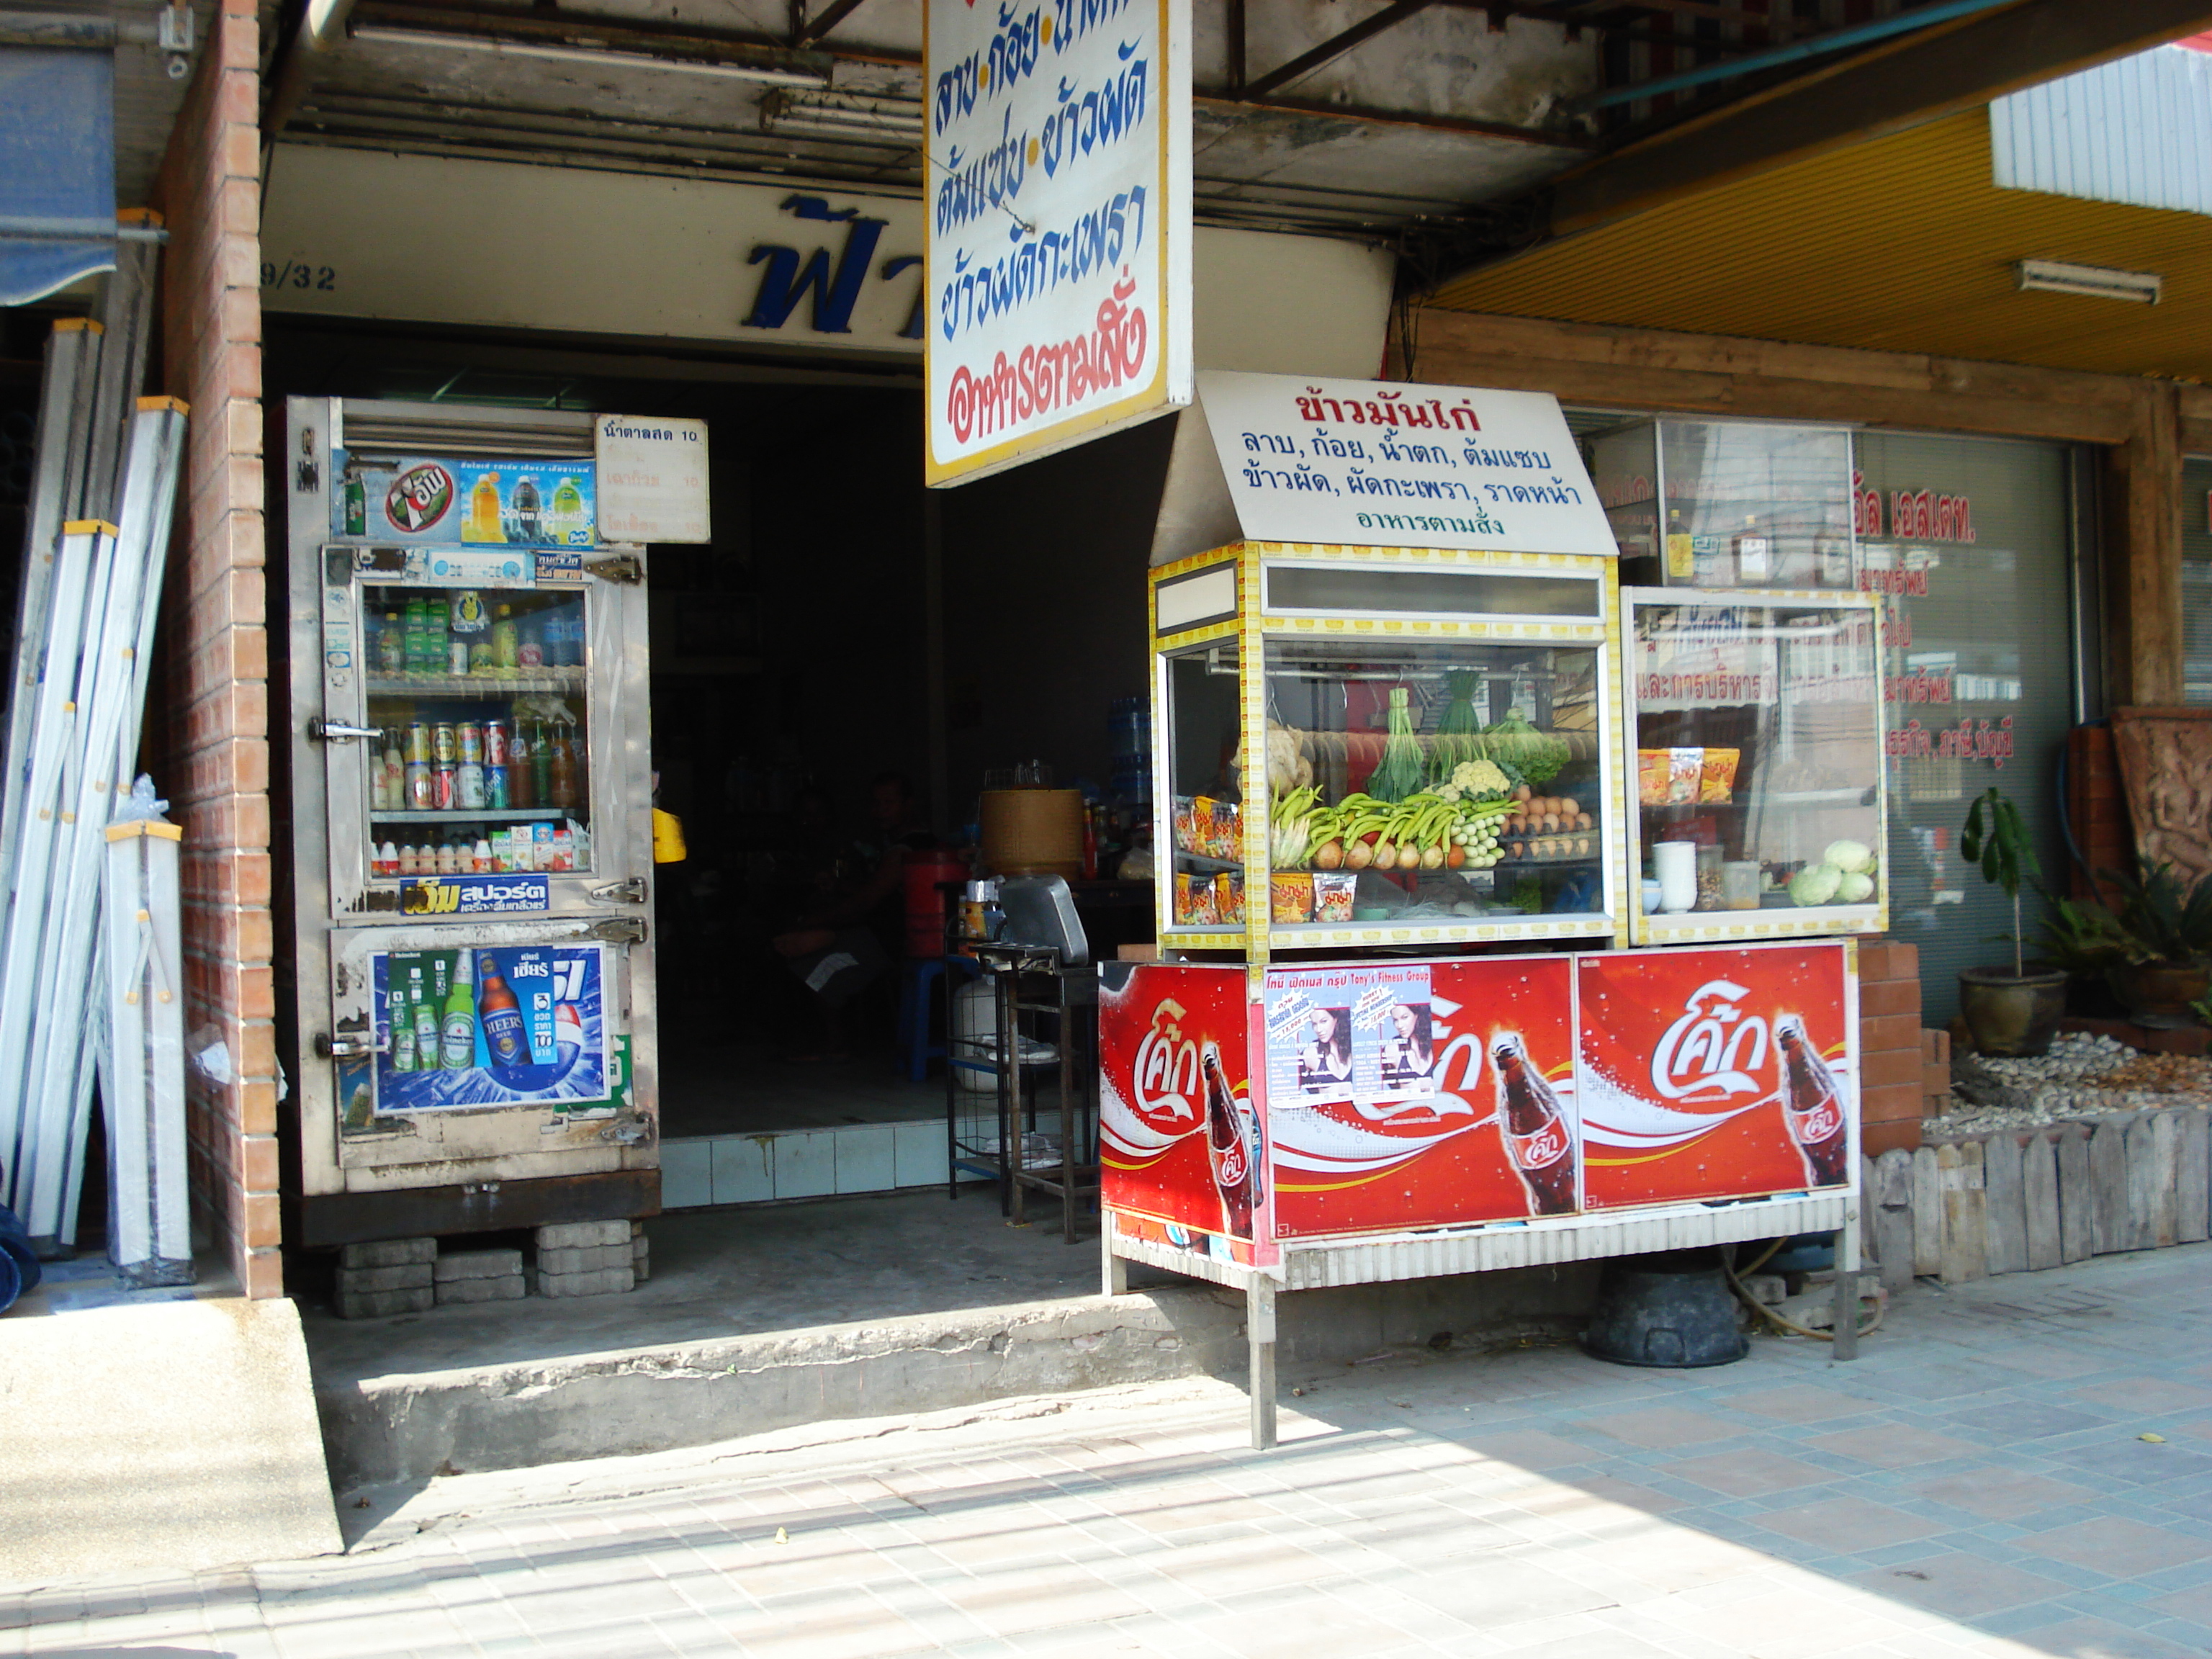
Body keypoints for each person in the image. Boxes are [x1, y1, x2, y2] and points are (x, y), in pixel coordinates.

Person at [768, 774, 935, 1060]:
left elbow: (864, 904)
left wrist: (811, 923)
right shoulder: (897, 844)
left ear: (908, 805)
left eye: (889, 803)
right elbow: (877, 891)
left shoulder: (906, 849)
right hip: (878, 933)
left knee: (812, 960)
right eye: (876, 803)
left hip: (893, 942)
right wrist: (839, 886)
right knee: (802, 941)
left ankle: (836, 1043)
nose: (881, 809)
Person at [1378, 1002, 1434, 1091]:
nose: (1399, 1025)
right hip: (1409, 1104)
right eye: (1395, 1020)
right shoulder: (1392, 1049)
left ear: (1417, 1015)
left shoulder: (1435, 1043)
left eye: (1404, 1018)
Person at [1297, 1007, 1354, 1094]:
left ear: (1336, 1019)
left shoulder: (1356, 1051)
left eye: (1324, 1021)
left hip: (1356, 1107)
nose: (1318, 1029)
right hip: (1327, 1106)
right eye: (1314, 1024)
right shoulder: (1311, 1054)